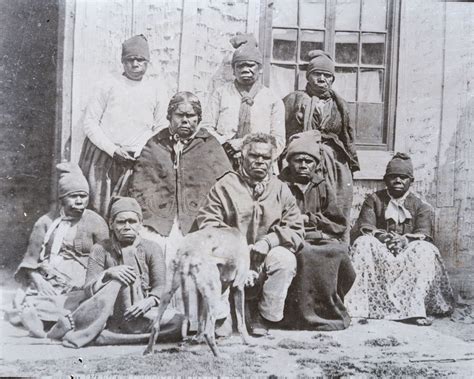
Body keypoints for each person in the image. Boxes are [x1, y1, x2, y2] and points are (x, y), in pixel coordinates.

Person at [196, 133, 304, 336]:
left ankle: (263, 315)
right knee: (214, 259)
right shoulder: (224, 186)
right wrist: (235, 247)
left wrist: (269, 242)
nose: (260, 161)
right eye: (254, 156)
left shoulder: (280, 189)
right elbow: (207, 222)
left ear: (272, 161)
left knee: (285, 260)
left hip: (261, 257)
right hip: (231, 258)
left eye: (265, 158)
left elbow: (296, 228)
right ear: (242, 158)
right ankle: (221, 315)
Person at [47, 197, 183, 347]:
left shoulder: (152, 248)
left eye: (132, 222)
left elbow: (161, 287)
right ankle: (110, 332)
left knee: (179, 323)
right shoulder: (100, 249)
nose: (127, 226)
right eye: (121, 222)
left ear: (140, 224)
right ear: (111, 224)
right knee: (120, 277)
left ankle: (105, 337)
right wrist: (109, 273)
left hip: (142, 311)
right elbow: (88, 288)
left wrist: (146, 302)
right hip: (109, 312)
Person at [346, 153, 455, 325]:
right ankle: (359, 308)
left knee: (425, 250)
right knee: (363, 243)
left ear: (411, 181)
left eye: (403, 177)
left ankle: (415, 310)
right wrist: (382, 237)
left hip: (407, 254)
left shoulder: (421, 205)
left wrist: (405, 240)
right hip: (381, 252)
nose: (398, 181)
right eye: (393, 177)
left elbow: (424, 233)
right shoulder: (373, 200)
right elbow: (366, 226)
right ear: (385, 180)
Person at [7, 163, 108, 338]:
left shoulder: (96, 222)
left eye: (83, 196)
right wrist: (39, 281)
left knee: (86, 300)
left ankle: (53, 322)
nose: (79, 201)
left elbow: (107, 259)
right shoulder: (45, 222)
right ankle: (41, 322)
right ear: (62, 198)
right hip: (51, 280)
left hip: (84, 281)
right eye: (73, 196)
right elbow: (30, 261)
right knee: (36, 300)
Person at [79, 34, 169, 217]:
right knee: (100, 211)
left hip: (138, 160)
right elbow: (90, 123)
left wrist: (141, 151)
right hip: (104, 159)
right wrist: (112, 150)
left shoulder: (156, 89)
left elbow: (160, 127)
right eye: (130, 60)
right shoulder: (107, 85)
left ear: (147, 62)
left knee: (130, 213)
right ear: (122, 61)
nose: (135, 64)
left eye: (140, 59)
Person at [278, 131, 356, 331]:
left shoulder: (322, 185)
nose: (303, 165)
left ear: (316, 164)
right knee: (306, 254)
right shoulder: (280, 184)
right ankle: (300, 315)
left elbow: (338, 222)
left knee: (338, 253)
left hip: (318, 237)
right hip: (290, 238)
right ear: (289, 162)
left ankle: (328, 311)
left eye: (308, 161)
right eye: (298, 160)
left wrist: (312, 219)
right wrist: (295, 223)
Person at [283, 50, 360, 240]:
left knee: (336, 200)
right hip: (302, 158)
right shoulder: (294, 100)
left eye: (327, 76)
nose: (322, 79)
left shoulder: (338, 103)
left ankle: (337, 244)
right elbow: (283, 131)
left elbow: (347, 136)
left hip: (333, 161)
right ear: (309, 76)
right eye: (317, 74)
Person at [200, 34, 285, 168]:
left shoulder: (272, 99)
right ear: (233, 70)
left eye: (251, 65)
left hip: (260, 165)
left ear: (260, 68)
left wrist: (248, 145)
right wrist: (226, 144)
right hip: (224, 160)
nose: (246, 70)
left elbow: (279, 140)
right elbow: (206, 128)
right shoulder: (221, 93)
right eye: (240, 66)